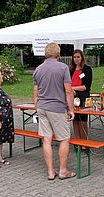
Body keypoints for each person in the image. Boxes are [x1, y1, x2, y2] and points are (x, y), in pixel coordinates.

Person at [33, 42, 76, 180]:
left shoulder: (38, 69)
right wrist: (71, 109)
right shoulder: (63, 68)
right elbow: (68, 90)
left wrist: (37, 106)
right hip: (57, 108)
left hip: (42, 107)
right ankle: (63, 171)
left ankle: (51, 172)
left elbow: (35, 92)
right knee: (64, 138)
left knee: (47, 139)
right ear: (58, 53)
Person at [69, 49, 92, 140]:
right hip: (72, 97)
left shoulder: (87, 69)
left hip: (83, 97)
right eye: (74, 57)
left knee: (83, 121)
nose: (76, 59)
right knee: (75, 120)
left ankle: (84, 142)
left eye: (78, 57)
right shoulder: (71, 70)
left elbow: (86, 86)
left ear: (82, 58)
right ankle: (78, 141)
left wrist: (72, 88)